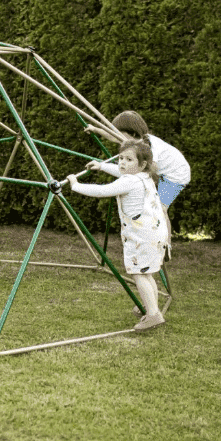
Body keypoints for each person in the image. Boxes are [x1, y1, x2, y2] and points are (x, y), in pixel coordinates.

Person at [66, 137, 169, 331]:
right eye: (121, 158)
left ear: (143, 164)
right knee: (147, 273)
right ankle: (151, 308)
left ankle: (154, 315)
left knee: (139, 274)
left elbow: (103, 190)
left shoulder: (129, 182)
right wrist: (102, 166)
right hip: (155, 233)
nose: (121, 163)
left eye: (128, 159)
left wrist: (75, 184)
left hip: (141, 237)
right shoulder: (144, 177)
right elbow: (122, 172)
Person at [84, 111, 191, 238]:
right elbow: (113, 136)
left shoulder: (147, 147)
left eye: (120, 134)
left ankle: (165, 244)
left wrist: (123, 169)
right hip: (164, 170)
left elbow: (148, 169)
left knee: (160, 209)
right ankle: (151, 237)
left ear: (133, 134)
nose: (118, 138)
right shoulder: (134, 141)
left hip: (176, 174)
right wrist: (95, 129)